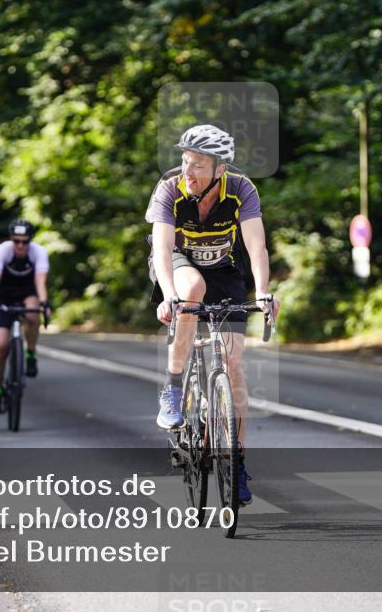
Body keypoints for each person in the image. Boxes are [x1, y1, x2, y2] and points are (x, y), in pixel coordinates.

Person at [145, 123, 280, 506]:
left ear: (220, 169)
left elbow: (256, 247)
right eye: (186, 161)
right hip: (178, 264)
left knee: (233, 365)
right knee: (191, 291)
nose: (188, 171)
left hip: (224, 269)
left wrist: (264, 292)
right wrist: (169, 296)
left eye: (198, 165)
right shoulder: (170, 188)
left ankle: (236, 462)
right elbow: (162, 247)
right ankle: (173, 386)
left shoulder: (240, 189)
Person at [0, 219, 51, 416]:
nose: (20, 245)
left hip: (27, 293)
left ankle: (30, 353)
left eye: (25, 241)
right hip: (3, 295)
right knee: (0, 345)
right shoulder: (2, 251)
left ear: (30, 240)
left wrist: (44, 303)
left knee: (33, 313)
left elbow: (40, 281)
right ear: (11, 239)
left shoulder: (38, 252)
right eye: (16, 241)